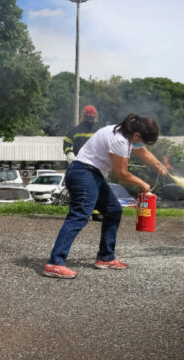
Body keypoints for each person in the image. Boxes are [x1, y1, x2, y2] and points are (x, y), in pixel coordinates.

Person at [44, 113, 169, 279]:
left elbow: (144, 153)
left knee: (113, 210)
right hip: (83, 172)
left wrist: (158, 166)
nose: (141, 144)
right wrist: (142, 184)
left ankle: (105, 257)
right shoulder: (120, 141)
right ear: (137, 135)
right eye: (142, 140)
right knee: (80, 215)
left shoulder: (126, 132)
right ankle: (55, 263)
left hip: (93, 174)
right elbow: (122, 175)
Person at [64, 104, 102, 221]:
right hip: (78, 163)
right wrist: (69, 154)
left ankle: (96, 212)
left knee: (96, 188)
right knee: (78, 189)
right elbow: (66, 144)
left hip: (95, 164)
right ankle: (77, 212)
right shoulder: (74, 130)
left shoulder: (99, 130)